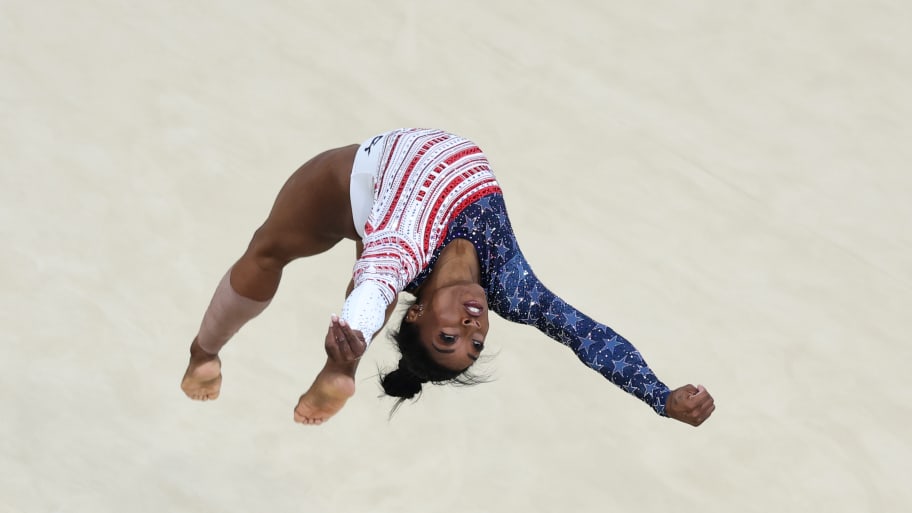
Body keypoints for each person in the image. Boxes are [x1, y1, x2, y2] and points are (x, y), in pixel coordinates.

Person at [180, 128, 716, 427]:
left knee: (270, 250)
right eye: (475, 343)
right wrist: (658, 395)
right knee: (376, 276)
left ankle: (204, 352)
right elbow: (585, 334)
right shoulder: (509, 283)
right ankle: (342, 361)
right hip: (391, 214)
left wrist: (347, 346)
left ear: (418, 313)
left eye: (449, 337)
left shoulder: (401, 247)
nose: (473, 325)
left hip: (351, 189)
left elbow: (372, 293)